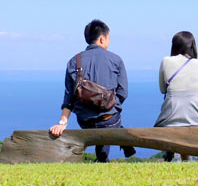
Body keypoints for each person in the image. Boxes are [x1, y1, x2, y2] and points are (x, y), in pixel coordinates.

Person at [49, 19, 136, 162]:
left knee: (105, 121)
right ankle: (105, 157)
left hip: (84, 120)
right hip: (109, 119)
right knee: (111, 120)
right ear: (102, 38)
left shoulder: (73, 61)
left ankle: (107, 155)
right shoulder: (116, 60)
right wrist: (112, 105)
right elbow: (123, 92)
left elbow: (69, 97)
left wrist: (62, 123)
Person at [154, 31, 198, 161]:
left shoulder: (166, 61)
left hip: (171, 116)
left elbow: (162, 90)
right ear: (193, 46)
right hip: (196, 117)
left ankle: (170, 154)